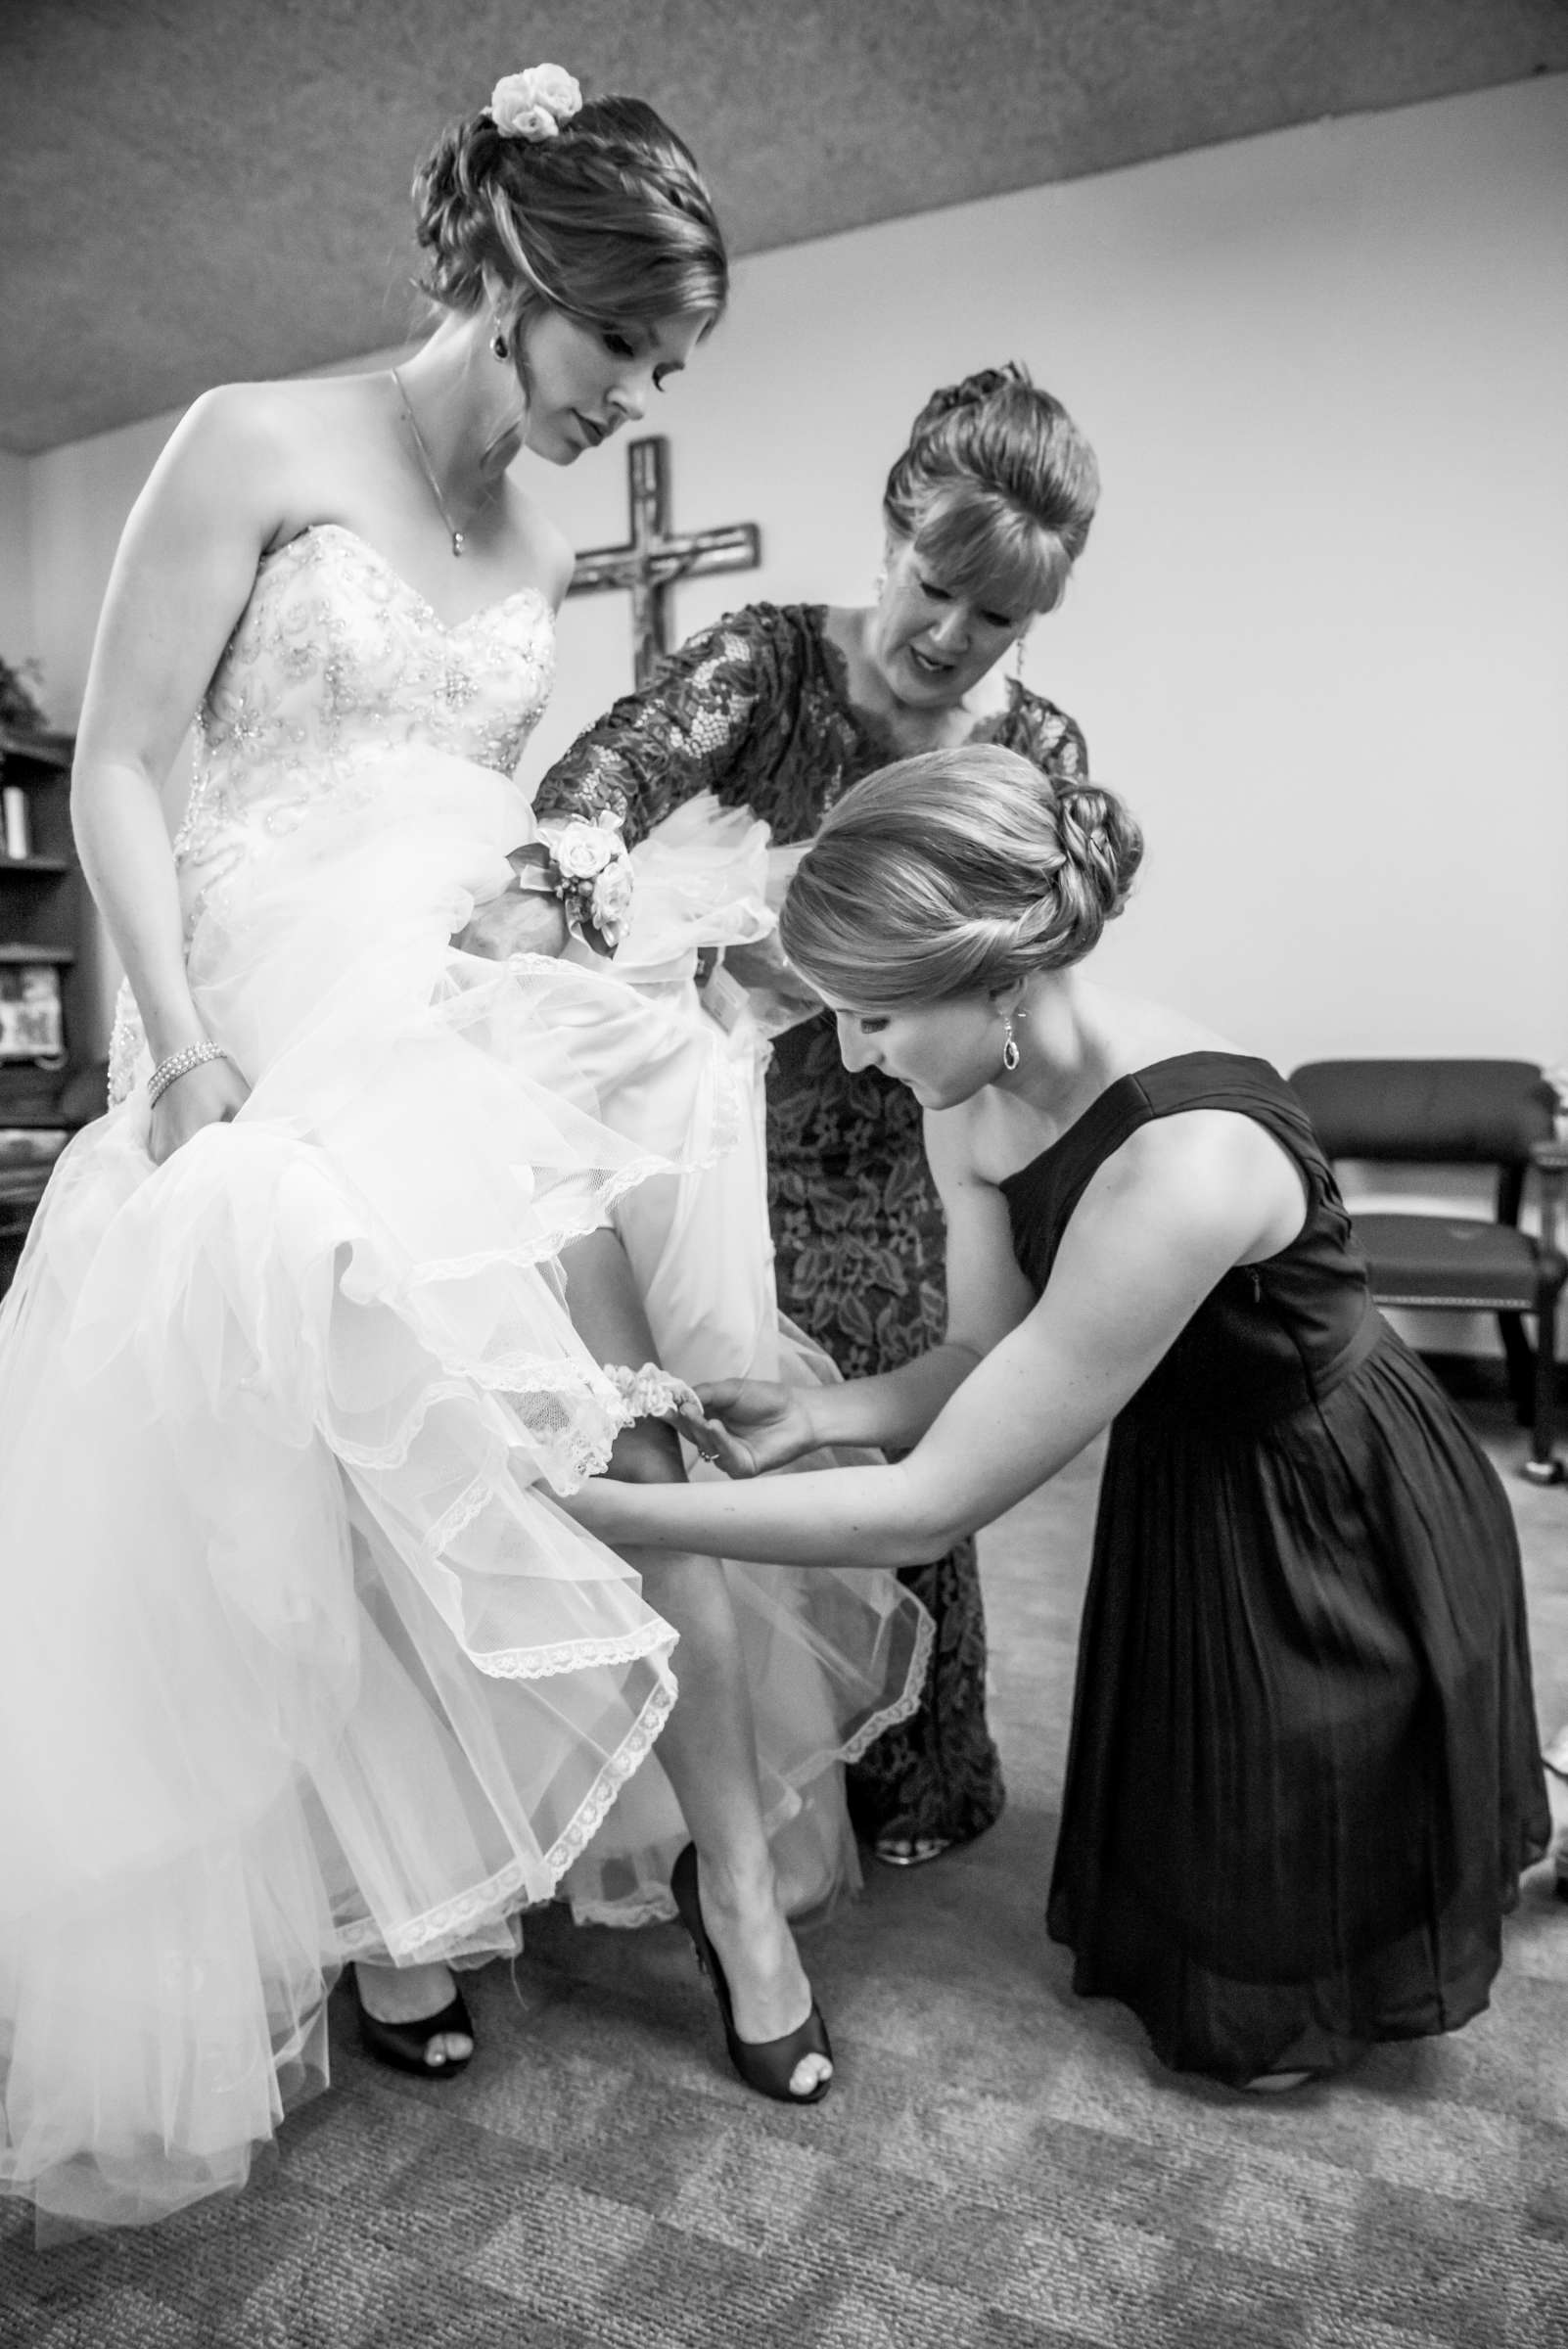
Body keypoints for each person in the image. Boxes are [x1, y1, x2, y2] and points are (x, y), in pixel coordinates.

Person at [0, 69, 930, 2234]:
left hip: (484, 1021)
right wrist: (189, 1055)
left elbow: (479, 814)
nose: (642, 394)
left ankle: (735, 1893)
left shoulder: (540, 536)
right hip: (274, 1022)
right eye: (631, 346)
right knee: (354, 1467)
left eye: (672, 363)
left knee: (635, 1428)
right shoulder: (245, 439)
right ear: (524, 279)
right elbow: (123, 772)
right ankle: (395, 1904)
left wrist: (568, 923)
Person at [565, 742, 1552, 2089]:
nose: (853, 1056)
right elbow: (984, 1348)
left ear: (1002, 979)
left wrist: (610, 1510)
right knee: (1210, 1830)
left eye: (874, 1017)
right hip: (1186, 1464)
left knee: (1282, 1994)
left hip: (1325, 1483)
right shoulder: (973, 1099)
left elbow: (931, 1504)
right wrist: (825, 1414)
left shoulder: (1185, 1161)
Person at [537, 362, 1097, 1866]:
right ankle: (723, 1785)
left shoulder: (1034, 754)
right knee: (712, 1422)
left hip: (911, 1146)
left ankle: (917, 1771)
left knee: (912, 1433)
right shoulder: (763, 664)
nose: (949, 640)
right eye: (933, 589)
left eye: (996, 620)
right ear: (893, 530)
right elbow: (594, 790)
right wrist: (681, 930)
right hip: (724, 1133)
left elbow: (1050, 956)